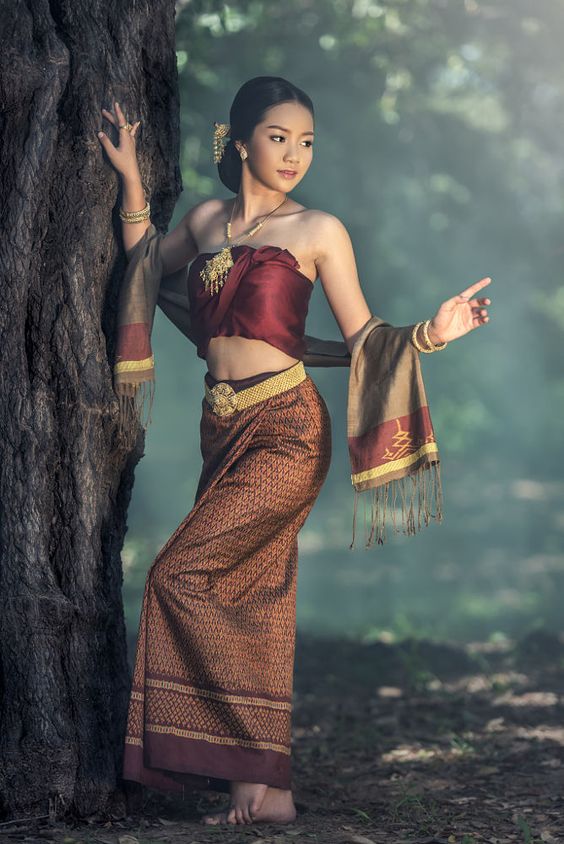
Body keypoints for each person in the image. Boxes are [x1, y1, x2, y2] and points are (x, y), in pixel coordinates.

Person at [97, 76, 491, 826]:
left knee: (177, 576)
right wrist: (129, 179)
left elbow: (366, 338)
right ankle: (267, 792)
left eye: (307, 142)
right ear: (239, 140)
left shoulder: (318, 231)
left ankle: (250, 767)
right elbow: (145, 265)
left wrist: (435, 333)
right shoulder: (211, 219)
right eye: (279, 137)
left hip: (286, 428)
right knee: (250, 600)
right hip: (222, 429)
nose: (295, 154)